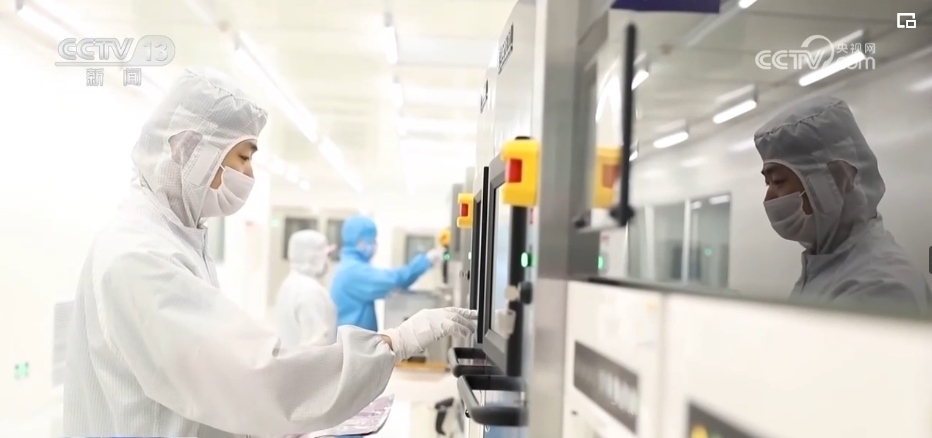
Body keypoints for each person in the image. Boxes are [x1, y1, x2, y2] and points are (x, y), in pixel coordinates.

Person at [63, 68, 477, 438]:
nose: (249, 174)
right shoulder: (141, 256)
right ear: (189, 150)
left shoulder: (175, 241)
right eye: (243, 157)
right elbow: (253, 377)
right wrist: (395, 342)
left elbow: (205, 385)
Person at [755, 95, 931, 312]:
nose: (769, 198)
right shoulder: (825, 264)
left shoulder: (879, 286)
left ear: (839, 178)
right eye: (767, 182)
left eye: (778, 181)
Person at [330, 216, 444, 331]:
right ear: (361, 242)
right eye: (372, 240)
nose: (375, 245)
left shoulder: (348, 267)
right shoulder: (353, 271)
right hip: (354, 342)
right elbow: (394, 280)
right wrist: (426, 260)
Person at [276, 229, 337, 347]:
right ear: (313, 257)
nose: (327, 260)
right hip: (308, 358)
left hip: (291, 356)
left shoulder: (289, 283)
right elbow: (316, 344)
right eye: (326, 255)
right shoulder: (311, 291)